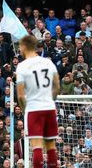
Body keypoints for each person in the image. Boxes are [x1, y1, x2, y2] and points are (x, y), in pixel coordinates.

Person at [16, 35, 61, 168]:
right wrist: (50, 100)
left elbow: (20, 95)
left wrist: (25, 109)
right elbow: (57, 86)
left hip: (33, 109)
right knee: (51, 146)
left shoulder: (22, 66)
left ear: (24, 46)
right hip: (49, 107)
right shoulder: (48, 62)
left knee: (36, 146)